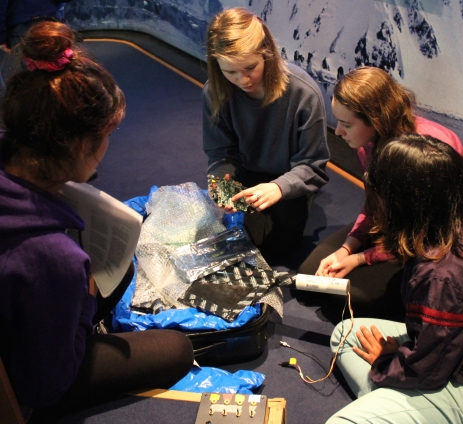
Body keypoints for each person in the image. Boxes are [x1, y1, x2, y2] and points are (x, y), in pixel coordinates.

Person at [0, 21, 193, 421]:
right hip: (30, 385)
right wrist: (84, 302)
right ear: (78, 145)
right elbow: (47, 384)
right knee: (176, 349)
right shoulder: (56, 258)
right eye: (107, 135)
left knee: (115, 274)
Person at [326, 134, 463, 423]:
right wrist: (404, 358)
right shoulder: (458, 233)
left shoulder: (442, 273)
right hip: (462, 351)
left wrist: (390, 362)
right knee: (345, 335)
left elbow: (427, 371)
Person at [298, 66, 463, 321]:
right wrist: (347, 248)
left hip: (430, 239)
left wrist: (361, 259)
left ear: (376, 119)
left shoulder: (421, 156)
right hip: (392, 224)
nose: (338, 133)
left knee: (357, 298)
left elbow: (425, 235)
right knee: (311, 277)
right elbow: (374, 205)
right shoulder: (367, 142)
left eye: (346, 124)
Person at [203, 7, 330, 261]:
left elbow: (313, 165)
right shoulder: (214, 92)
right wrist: (220, 184)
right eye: (230, 72)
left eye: (250, 67)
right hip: (246, 174)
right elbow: (220, 151)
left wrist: (280, 187)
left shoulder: (303, 93)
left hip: (289, 179)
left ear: (267, 54)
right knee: (232, 244)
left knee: (274, 250)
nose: (243, 79)